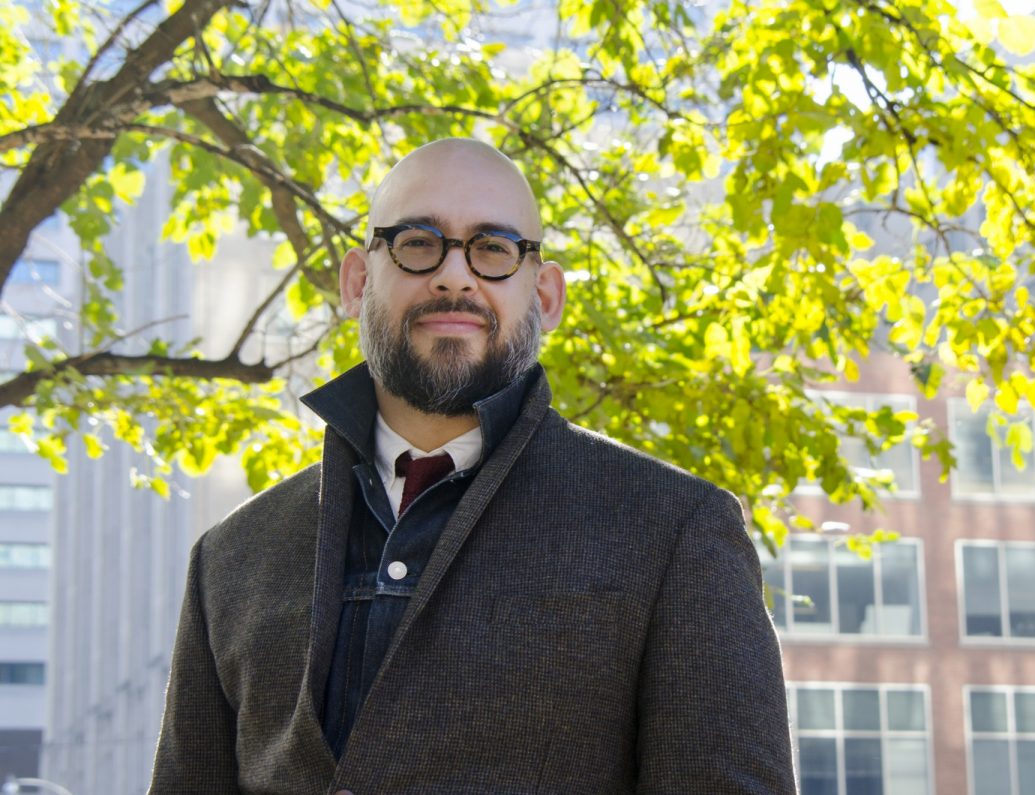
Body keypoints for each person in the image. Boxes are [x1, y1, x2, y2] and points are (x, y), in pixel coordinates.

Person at [150, 138, 795, 793]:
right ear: (357, 281)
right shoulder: (229, 558)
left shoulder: (677, 531)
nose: (454, 276)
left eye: (492, 248)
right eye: (418, 242)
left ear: (545, 295)